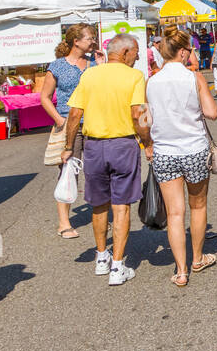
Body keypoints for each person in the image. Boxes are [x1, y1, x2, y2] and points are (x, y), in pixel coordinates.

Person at [62, 33, 152, 287]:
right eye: (135, 52)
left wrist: (69, 146)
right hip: (123, 144)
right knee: (121, 206)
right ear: (124, 53)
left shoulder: (90, 74)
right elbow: (139, 114)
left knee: (99, 204)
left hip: (93, 146)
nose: (136, 58)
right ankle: (118, 265)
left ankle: (102, 257)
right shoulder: (134, 76)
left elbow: (74, 114)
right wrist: (148, 142)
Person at [147, 28, 217, 287]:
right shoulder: (194, 77)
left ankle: (180, 270)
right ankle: (197, 257)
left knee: (175, 213)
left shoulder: (151, 81)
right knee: (197, 205)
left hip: (165, 151)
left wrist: (148, 142)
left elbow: (146, 119)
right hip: (194, 148)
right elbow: (212, 113)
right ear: (182, 51)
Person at [41, 23, 97, 238]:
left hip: (94, 122)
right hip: (69, 123)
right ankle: (64, 222)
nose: (93, 41)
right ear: (76, 41)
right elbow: (44, 97)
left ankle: (98, 215)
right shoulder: (57, 66)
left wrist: (101, 64)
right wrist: (58, 119)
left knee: (96, 171)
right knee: (68, 171)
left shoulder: (94, 64)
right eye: (89, 37)